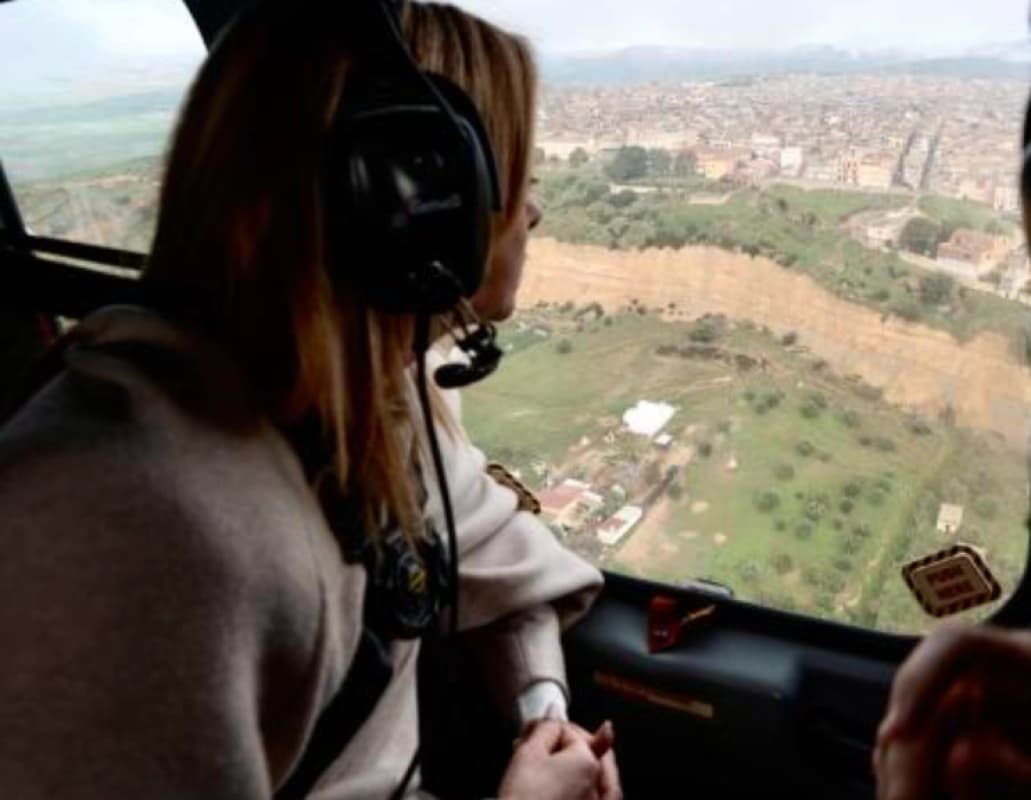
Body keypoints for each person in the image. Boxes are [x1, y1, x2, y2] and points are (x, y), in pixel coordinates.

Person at [0, 1, 621, 798]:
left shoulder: (381, 411)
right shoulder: (138, 522)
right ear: (410, 201)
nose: (532, 209)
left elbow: (492, 560)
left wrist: (543, 714)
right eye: (516, 173)